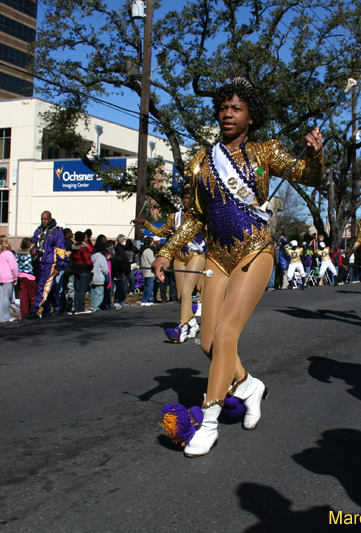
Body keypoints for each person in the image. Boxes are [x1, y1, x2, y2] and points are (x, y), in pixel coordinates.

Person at [153, 77, 323, 456]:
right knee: (208, 342)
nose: (227, 113)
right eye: (224, 107)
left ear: (250, 116)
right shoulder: (200, 161)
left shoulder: (265, 153)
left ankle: (208, 421)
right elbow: (196, 216)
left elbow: (308, 175)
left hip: (254, 250)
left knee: (227, 335)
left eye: (236, 108)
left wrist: (313, 154)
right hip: (217, 256)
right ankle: (247, 386)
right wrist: (167, 250)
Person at [134, 189, 206, 342]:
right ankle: (192, 323)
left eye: (188, 198)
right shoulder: (175, 217)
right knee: (181, 295)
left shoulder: (201, 215)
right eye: (184, 198)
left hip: (196, 255)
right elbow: (161, 232)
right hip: (179, 256)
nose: (186, 201)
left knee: (187, 292)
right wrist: (145, 223)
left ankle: (182, 327)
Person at [26, 211, 67, 318]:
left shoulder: (56, 232)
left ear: (50, 219)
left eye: (45, 219)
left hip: (50, 264)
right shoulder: (39, 231)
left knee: (43, 286)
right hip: (39, 263)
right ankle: (58, 307)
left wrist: (58, 266)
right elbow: (32, 244)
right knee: (50, 287)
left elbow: (61, 250)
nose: (43, 221)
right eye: (42, 219)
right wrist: (33, 250)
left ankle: (35, 310)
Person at [0, 236, 18, 323]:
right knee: (6, 298)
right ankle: (5, 316)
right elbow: (14, 267)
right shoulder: (8, 254)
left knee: (1, 298)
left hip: (0, 277)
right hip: (8, 277)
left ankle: (0, 317)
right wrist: (15, 277)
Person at [16, 237, 37, 320]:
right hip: (30, 276)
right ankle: (34, 312)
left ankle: (24, 314)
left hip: (20, 275)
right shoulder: (31, 254)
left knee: (23, 296)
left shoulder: (18, 254)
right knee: (33, 296)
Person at [90, 241, 110, 311]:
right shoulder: (102, 257)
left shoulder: (92, 257)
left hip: (92, 277)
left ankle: (93, 305)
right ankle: (96, 306)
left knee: (93, 292)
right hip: (100, 277)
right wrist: (106, 274)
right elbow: (105, 269)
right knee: (99, 293)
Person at [139, 237, 156, 306]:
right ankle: (145, 300)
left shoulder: (143, 250)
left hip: (145, 270)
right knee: (149, 286)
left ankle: (146, 299)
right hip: (149, 271)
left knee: (147, 286)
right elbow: (152, 261)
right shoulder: (148, 251)